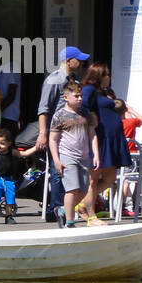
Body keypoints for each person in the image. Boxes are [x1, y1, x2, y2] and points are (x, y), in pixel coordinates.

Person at [36, 45, 90, 220]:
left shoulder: (75, 79)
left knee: (74, 172)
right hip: (57, 131)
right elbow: (44, 108)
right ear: (68, 61)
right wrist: (43, 133)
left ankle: (67, 208)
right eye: (78, 60)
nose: (82, 63)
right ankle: (56, 208)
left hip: (74, 132)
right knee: (58, 169)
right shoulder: (55, 80)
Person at [76, 63, 128, 223]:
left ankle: (82, 204)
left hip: (111, 139)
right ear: (99, 75)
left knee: (110, 177)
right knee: (93, 178)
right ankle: (90, 214)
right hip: (100, 138)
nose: (109, 78)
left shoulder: (103, 92)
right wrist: (92, 117)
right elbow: (82, 106)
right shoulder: (89, 89)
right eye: (107, 75)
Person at [48, 83, 100, 229]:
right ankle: (69, 222)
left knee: (83, 190)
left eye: (81, 96)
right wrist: (56, 160)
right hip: (67, 156)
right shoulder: (59, 115)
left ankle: (64, 210)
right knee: (72, 188)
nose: (80, 98)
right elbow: (52, 139)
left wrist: (95, 154)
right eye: (76, 96)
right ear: (66, 97)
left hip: (84, 157)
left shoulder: (85, 113)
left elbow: (92, 135)